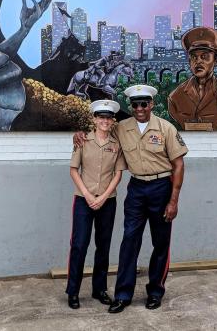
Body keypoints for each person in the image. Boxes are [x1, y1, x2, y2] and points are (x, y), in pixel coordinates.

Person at [74, 84, 188, 313]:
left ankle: (155, 291)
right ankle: (123, 294)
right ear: (130, 106)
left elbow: (178, 164)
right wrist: (80, 134)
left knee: (160, 243)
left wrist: (173, 200)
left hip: (161, 187)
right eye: (135, 104)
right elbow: (101, 130)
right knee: (129, 241)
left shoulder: (166, 128)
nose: (139, 108)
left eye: (144, 103)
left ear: (151, 104)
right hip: (136, 189)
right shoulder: (122, 128)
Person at [66, 100, 127, 309]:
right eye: (101, 117)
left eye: (108, 118)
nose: (105, 121)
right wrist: (88, 195)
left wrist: (102, 197)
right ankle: (73, 291)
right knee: (79, 245)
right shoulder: (82, 141)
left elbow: (118, 174)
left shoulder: (116, 145)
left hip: (107, 201)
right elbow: (74, 170)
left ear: (112, 121)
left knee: (103, 245)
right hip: (83, 200)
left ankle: (99, 289)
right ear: (94, 119)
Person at [168, 27, 217, 130]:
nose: (198, 61)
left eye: (204, 57)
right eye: (194, 57)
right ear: (189, 61)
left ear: (216, 60)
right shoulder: (175, 97)